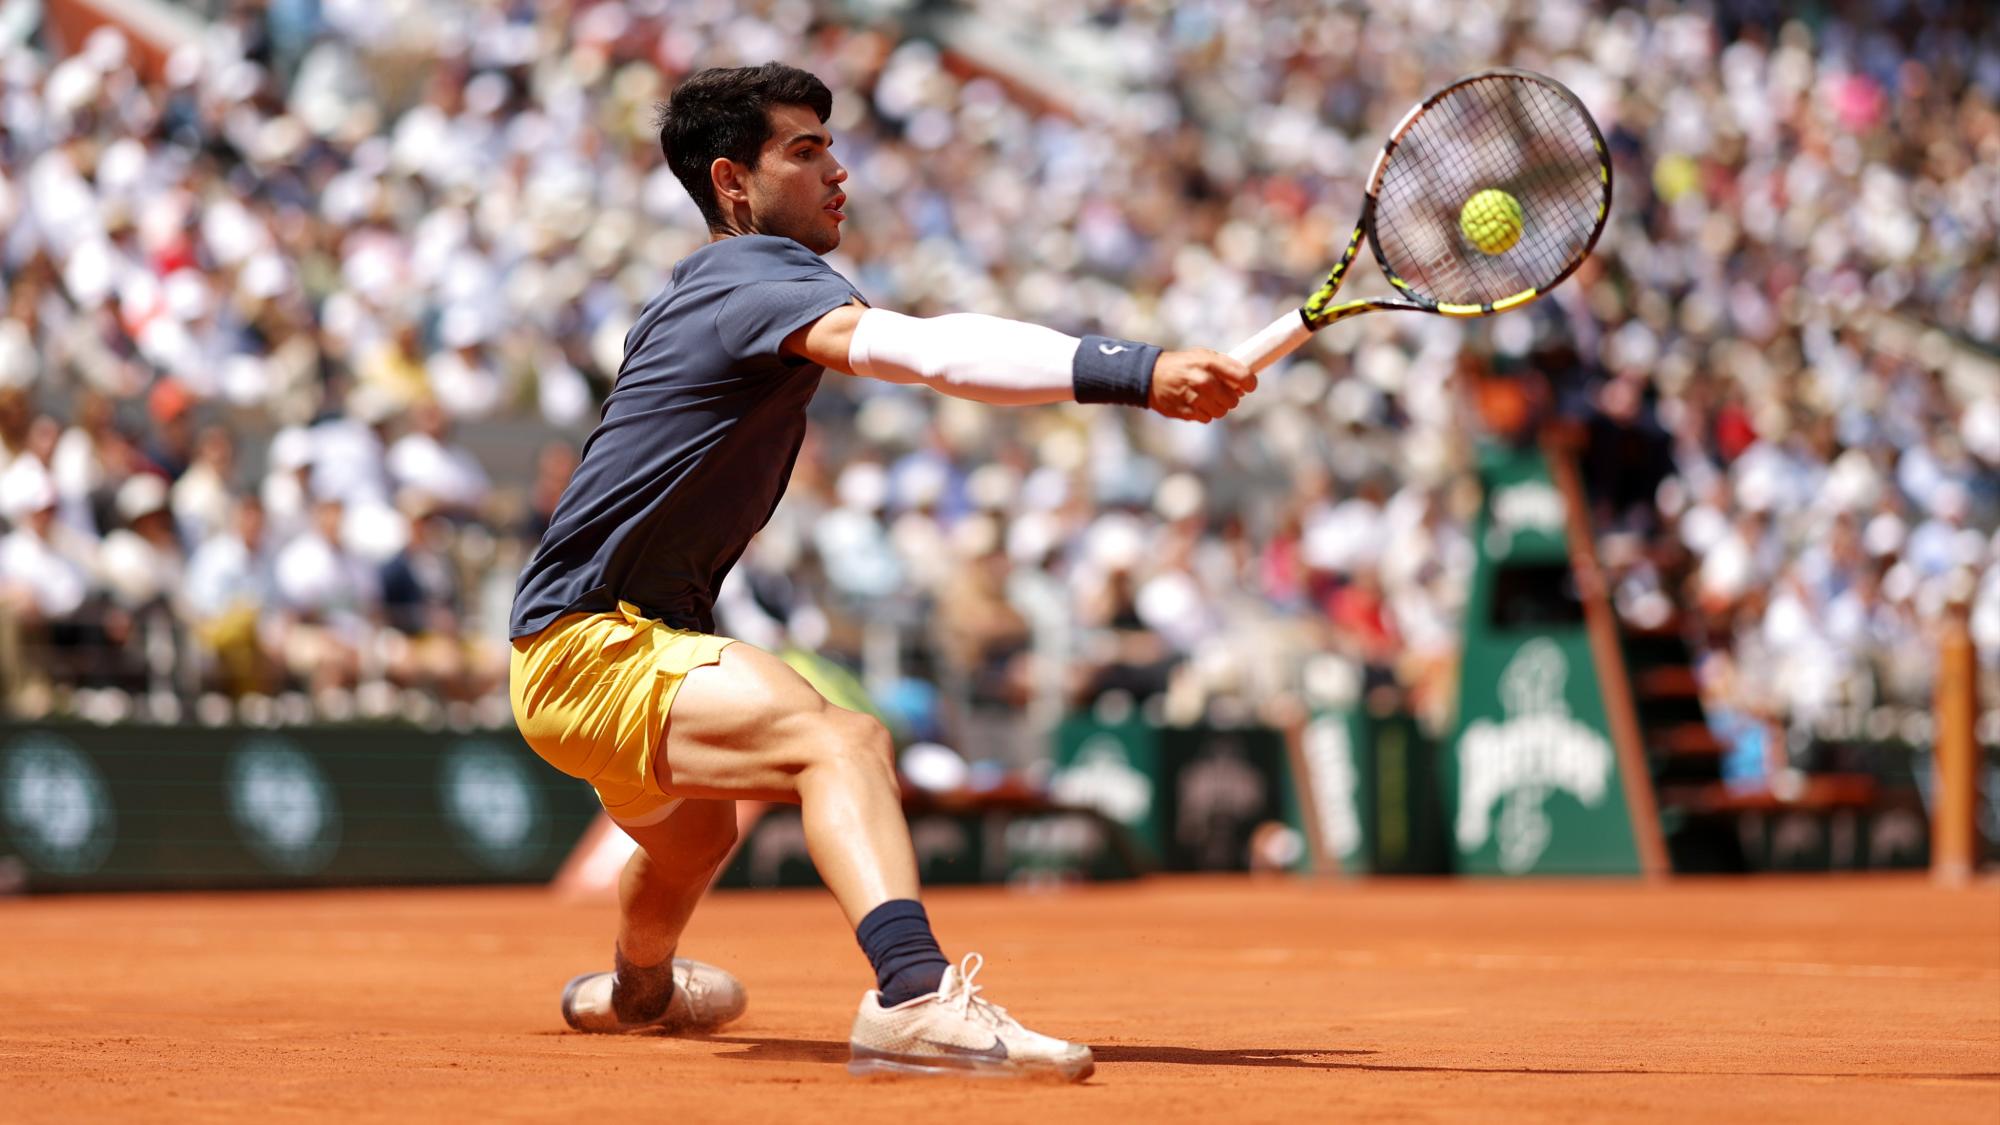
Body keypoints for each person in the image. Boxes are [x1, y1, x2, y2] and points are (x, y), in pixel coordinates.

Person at [507, 62, 1253, 1082]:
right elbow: (930, 352)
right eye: (804, 151)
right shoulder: (751, 275)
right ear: (732, 181)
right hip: (592, 647)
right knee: (841, 740)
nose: (837, 172)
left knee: (694, 843)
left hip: (597, 646)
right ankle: (912, 995)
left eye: (832, 147)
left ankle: (637, 992)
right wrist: (1134, 370)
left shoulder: (703, 286)